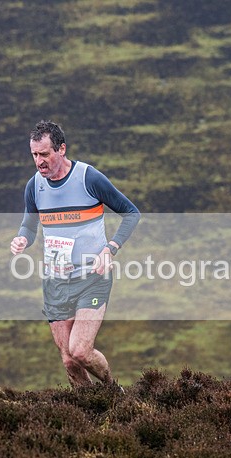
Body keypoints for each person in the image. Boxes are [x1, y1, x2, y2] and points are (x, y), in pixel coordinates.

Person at [10, 120, 140, 388]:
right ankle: (87, 413)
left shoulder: (89, 178)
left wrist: (110, 249)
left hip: (92, 277)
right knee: (69, 360)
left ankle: (113, 392)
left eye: (44, 154)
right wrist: (23, 238)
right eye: (34, 155)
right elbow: (30, 225)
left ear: (61, 149)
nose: (39, 161)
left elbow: (131, 213)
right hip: (55, 280)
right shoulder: (34, 186)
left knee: (80, 350)